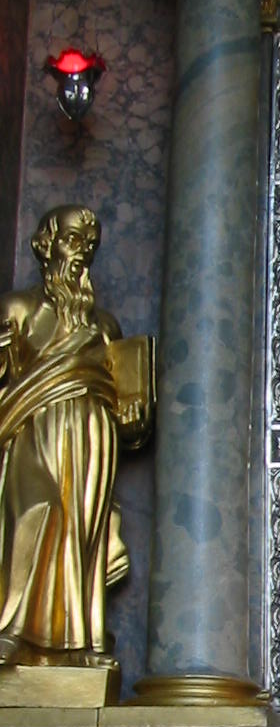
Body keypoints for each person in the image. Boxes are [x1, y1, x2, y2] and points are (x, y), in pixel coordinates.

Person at [0, 205, 153, 665]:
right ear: (46, 245)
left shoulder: (105, 327)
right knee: (38, 509)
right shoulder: (18, 310)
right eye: (71, 240)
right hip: (34, 428)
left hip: (92, 437)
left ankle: (82, 642)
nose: (81, 252)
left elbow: (131, 413)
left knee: (80, 534)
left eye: (89, 244)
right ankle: (11, 627)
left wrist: (134, 414)